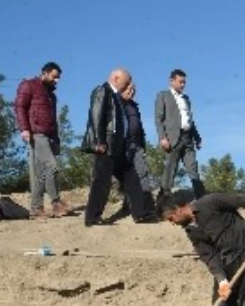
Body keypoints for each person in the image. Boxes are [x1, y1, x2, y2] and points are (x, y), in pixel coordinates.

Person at [83, 68, 148, 226]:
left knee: (132, 177)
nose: (127, 85)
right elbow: (96, 116)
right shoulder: (102, 91)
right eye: (126, 81)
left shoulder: (116, 97)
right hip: (106, 145)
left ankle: (141, 214)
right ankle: (92, 218)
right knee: (102, 181)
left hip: (119, 147)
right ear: (116, 78)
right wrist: (99, 141)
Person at [14, 62, 71, 218]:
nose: (56, 81)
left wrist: (57, 139)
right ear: (44, 73)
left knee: (40, 173)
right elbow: (20, 106)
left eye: (58, 78)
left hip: (49, 135)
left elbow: (53, 119)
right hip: (36, 133)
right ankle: (56, 203)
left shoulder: (51, 95)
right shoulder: (29, 85)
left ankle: (36, 208)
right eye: (54, 77)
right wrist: (24, 128)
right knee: (52, 166)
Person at [155, 69, 206, 198]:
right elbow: (158, 118)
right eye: (180, 82)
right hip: (172, 138)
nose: (183, 84)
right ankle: (163, 199)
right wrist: (162, 137)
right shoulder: (163, 95)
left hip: (188, 138)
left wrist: (197, 138)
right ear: (171, 81)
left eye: (184, 82)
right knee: (170, 169)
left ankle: (202, 198)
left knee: (193, 168)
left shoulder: (186, 99)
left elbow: (190, 120)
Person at [111, 81, 157, 222]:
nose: (131, 92)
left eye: (134, 90)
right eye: (129, 90)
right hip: (121, 146)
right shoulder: (115, 104)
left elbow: (139, 127)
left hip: (136, 145)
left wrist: (142, 145)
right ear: (121, 89)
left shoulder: (134, 106)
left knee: (142, 174)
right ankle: (130, 205)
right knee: (126, 177)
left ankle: (145, 208)